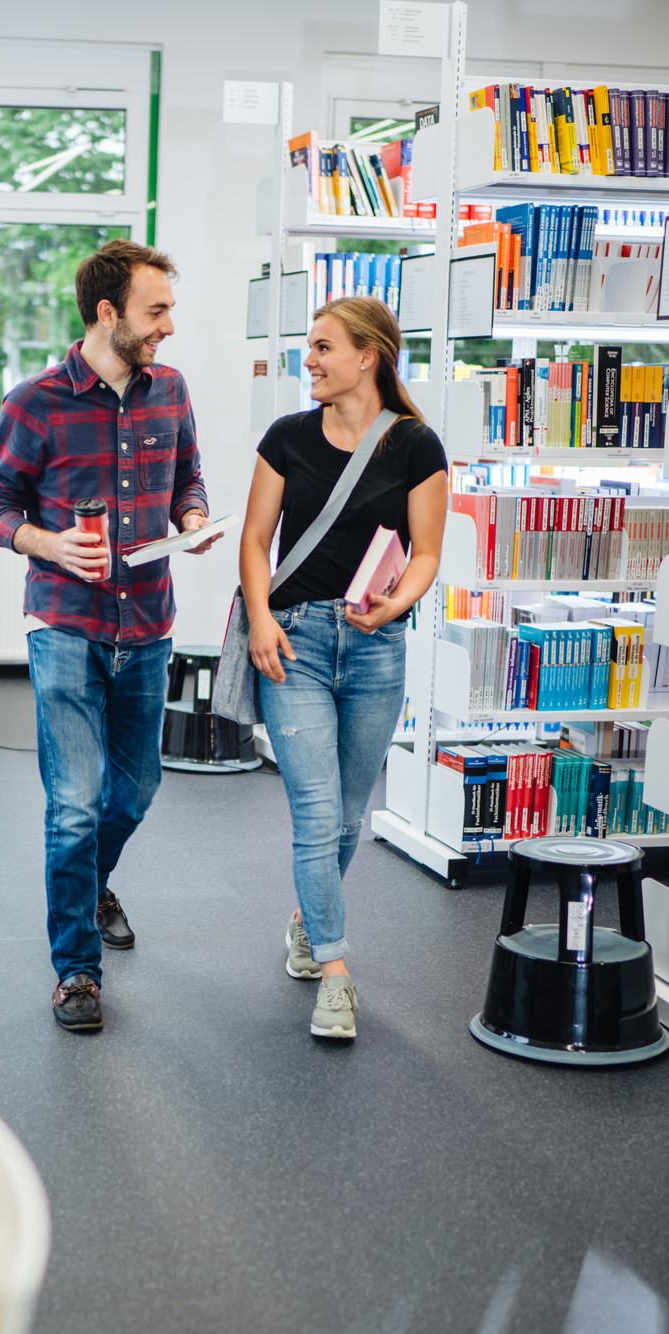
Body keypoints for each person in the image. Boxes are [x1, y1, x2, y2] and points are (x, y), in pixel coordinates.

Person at [0, 238, 217, 1034]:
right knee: (74, 806)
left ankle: (90, 884)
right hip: (66, 625)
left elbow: (189, 474)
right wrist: (43, 542)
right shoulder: (34, 402)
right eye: (157, 311)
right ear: (108, 313)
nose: (169, 327)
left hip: (147, 620)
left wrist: (188, 518)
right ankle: (76, 970)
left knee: (137, 790)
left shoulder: (169, 391)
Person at [238, 296, 447, 1041]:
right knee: (317, 813)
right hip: (292, 639)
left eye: (324, 346)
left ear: (369, 356)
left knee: (350, 816)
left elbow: (425, 553)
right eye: (308, 346)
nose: (310, 359)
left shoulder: (417, 445)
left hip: (374, 645)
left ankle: (308, 921)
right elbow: (257, 539)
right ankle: (334, 968)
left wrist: (396, 608)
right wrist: (261, 619)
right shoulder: (287, 438)